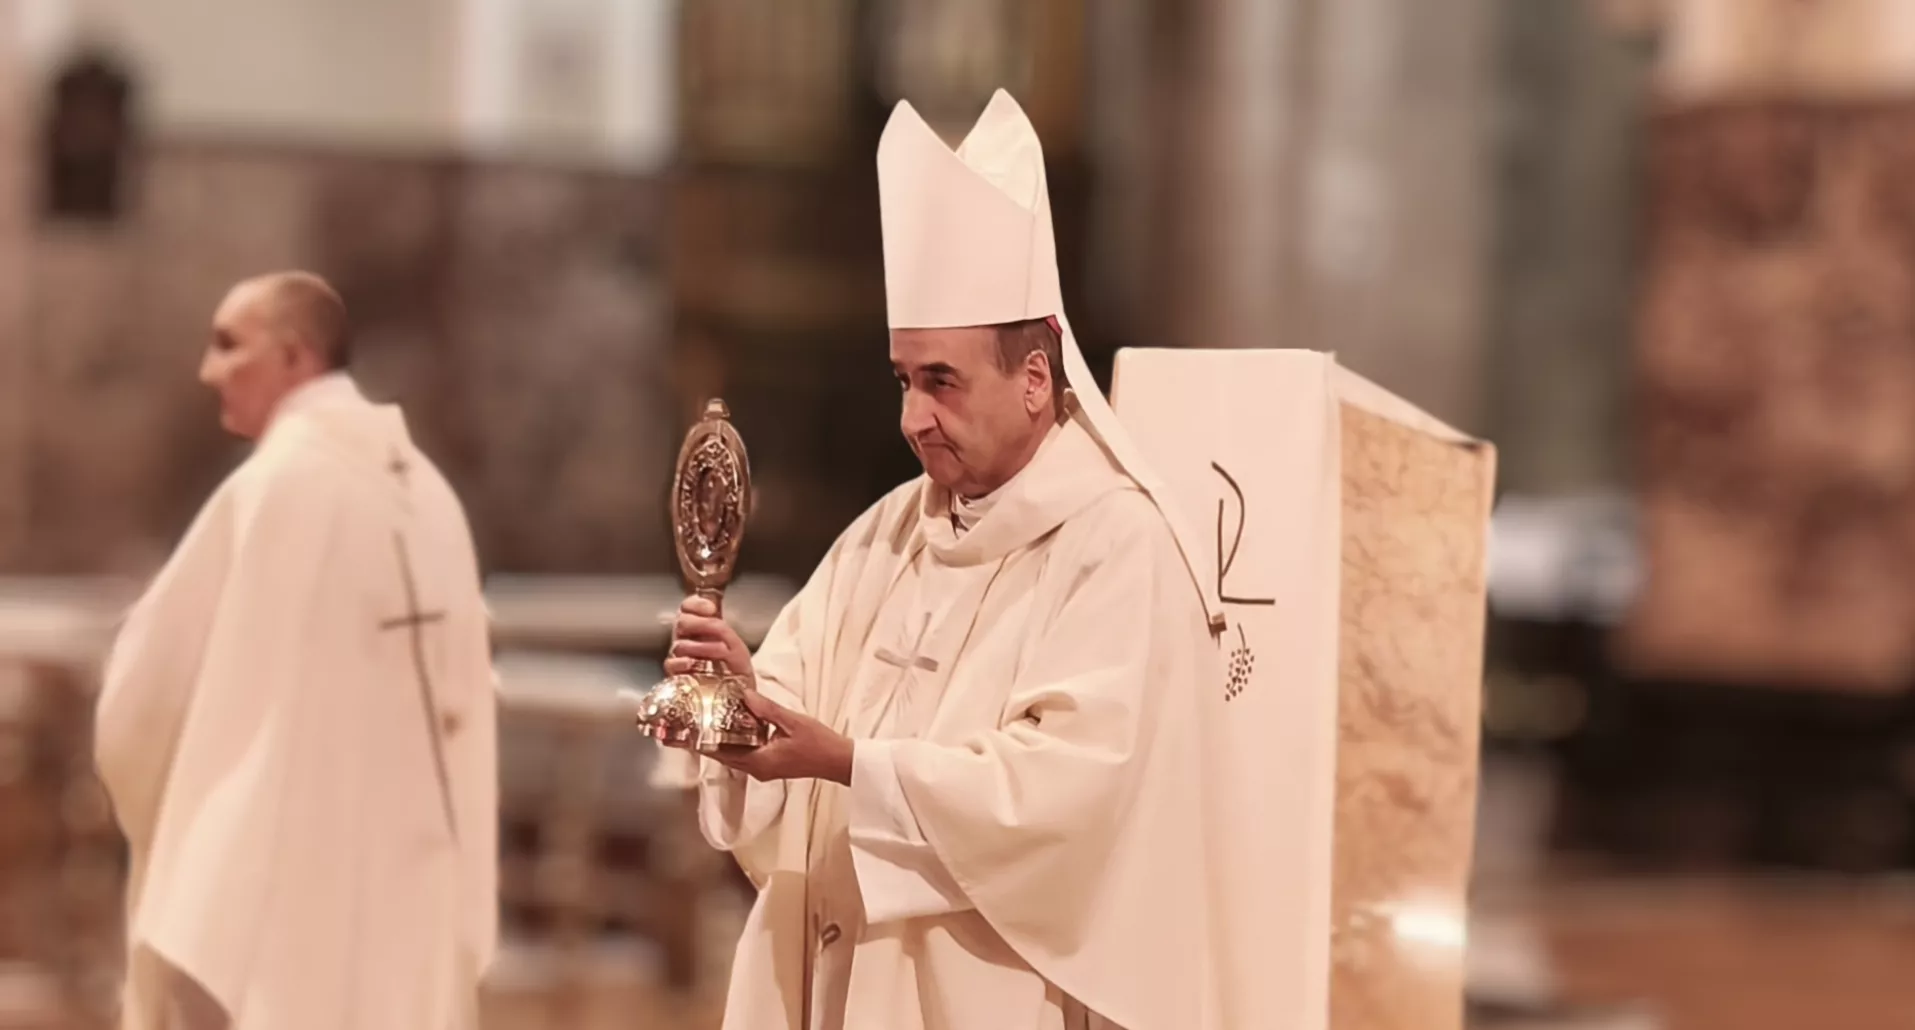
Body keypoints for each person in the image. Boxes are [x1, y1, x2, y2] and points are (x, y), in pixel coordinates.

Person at [660, 91, 1226, 1030]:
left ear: (1035, 381)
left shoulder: (1116, 545)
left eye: (941, 383)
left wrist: (853, 767)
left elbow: (1067, 799)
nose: (910, 418)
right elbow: (795, 686)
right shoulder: (888, 532)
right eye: (902, 380)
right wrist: (737, 709)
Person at [94, 272, 497, 1030]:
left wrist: (166, 817)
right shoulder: (431, 495)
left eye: (228, 345)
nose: (208, 370)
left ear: (293, 356)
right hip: (413, 888)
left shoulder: (277, 487)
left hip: (283, 892)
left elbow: (146, 704)